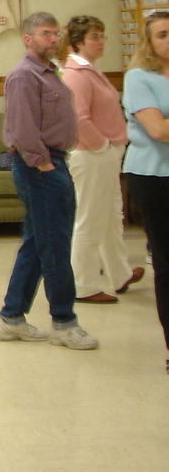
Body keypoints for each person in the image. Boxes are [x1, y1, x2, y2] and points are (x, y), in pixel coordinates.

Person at [0, 12, 97, 350]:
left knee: (38, 243)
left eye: (55, 34)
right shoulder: (24, 76)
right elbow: (23, 129)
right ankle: (64, 322)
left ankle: (11, 317)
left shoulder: (50, 72)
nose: (53, 39)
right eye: (45, 34)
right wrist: (44, 166)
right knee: (55, 246)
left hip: (53, 162)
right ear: (28, 39)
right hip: (39, 168)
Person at [62, 15, 139, 304]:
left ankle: (120, 274)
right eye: (94, 37)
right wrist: (102, 146)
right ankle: (83, 285)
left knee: (110, 216)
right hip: (93, 155)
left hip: (105, 153)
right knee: (91, 220)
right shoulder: (76, 74)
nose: (101, 42)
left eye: (101, 36)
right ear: (78, 42)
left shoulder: (91, 69)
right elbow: (78, 118)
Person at [121, 10, 169, 372]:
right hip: (155, 177)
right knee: (166, 262)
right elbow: (158, 130)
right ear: (149, 43)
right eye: (163, 35)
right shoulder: (139, 77)